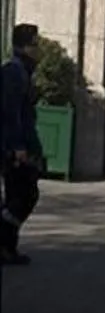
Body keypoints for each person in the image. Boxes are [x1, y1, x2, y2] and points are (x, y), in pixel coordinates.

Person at [1, 23, 43, 266]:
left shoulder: (23, 71)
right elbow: (12, 113)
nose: (39, 50)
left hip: (22, 142)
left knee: (20, 195)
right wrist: (18, 147)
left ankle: (7, 245)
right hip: (14, 146)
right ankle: (5, 244)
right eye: (36, 44)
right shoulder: (14, 72)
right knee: (23, 195)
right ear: (25, 46)